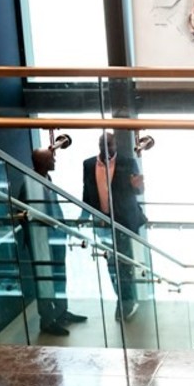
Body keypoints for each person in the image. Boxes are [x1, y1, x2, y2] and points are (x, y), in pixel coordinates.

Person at [81, 132, 147, 322]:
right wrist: (84, 216)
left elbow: (138, 190)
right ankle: (123, 300)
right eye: (103, 144)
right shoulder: (88, 164)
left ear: (115, 145)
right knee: (111, 264)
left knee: (124, 264)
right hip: (102, 223)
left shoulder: (127, 163)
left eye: (109, 144)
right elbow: (87, 190)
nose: (106, 148)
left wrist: (138, 186)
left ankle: (125, 302)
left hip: (123, 222)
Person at [22, 148, 87, 336]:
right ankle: (47, 320)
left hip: (55, 237)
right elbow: (23, 213)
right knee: (45, 279)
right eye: (51, 159)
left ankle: (60, 312)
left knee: (59, 276)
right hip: (41, 240)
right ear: (42, 162)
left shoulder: (47, 179)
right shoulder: (29, 184)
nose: (54, 162)